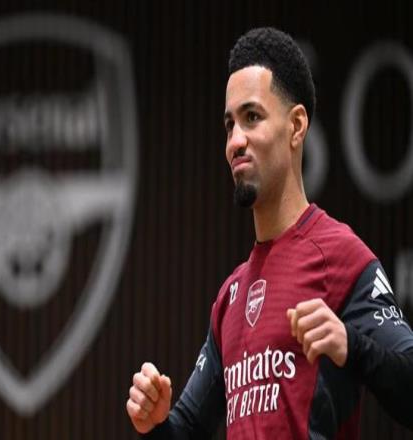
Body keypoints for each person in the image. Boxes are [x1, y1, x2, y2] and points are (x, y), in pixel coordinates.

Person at [126, 27, 413, 439]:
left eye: (252, 118)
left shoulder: (341, 256)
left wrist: (352, 345)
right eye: (229, 125)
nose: (235, 141)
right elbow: (185, 428)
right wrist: (154, 424)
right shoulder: (230, 298)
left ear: (296, 126)